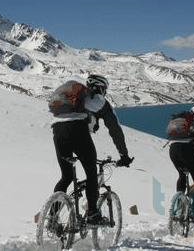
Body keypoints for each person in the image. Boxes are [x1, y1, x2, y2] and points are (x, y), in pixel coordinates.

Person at [50, 74, 134, 227]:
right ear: (102, 88)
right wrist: (124, 155)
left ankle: (51, 219)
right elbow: (115, 130)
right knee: (91, 173)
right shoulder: (100, 101)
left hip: (57, 129)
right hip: (77, 130)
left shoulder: (76, 99)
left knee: (66, 176)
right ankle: (92, 214)